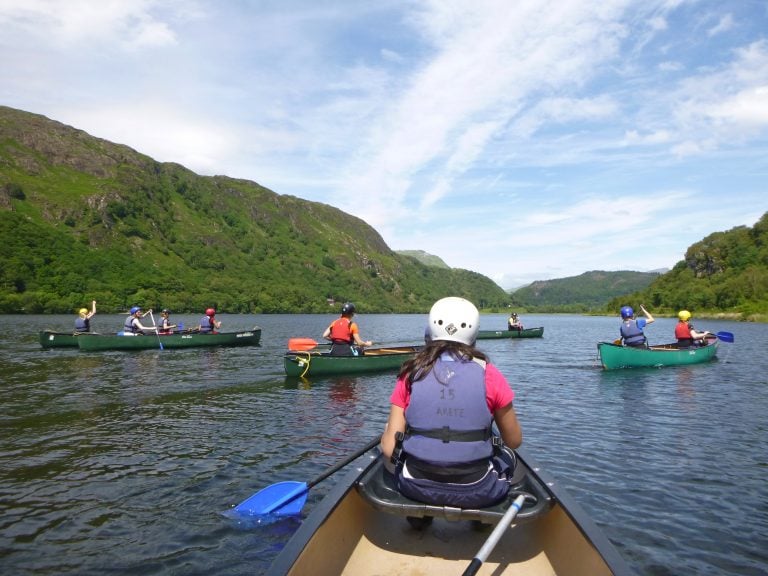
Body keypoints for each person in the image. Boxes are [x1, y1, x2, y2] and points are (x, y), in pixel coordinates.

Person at [380, 296, 523, 509]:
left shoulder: (409, 374)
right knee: (510, 458)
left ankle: (419, 519)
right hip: (478, 489)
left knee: (391, 437)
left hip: (414, 486)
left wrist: (387, 432)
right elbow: (514, 441)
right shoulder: (490, 374)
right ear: (474, 333)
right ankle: (481, 522)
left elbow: (389, 448)